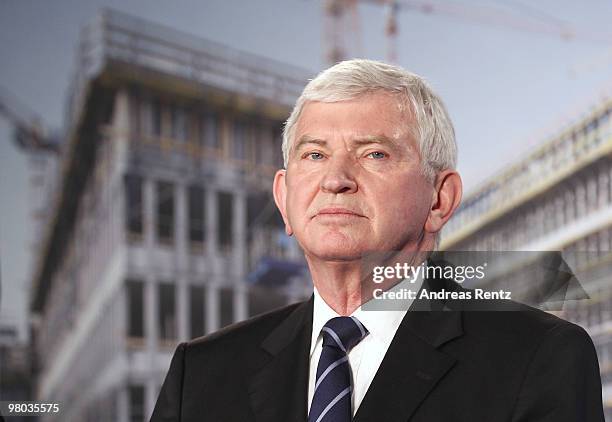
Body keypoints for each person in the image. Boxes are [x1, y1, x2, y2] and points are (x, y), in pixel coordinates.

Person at [150, 59, 604, 421]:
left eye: (374, 154)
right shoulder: (203, 372)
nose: (335, 179)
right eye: (314, 154)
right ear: (284, 198)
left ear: (439, 199)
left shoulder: (539, 358)